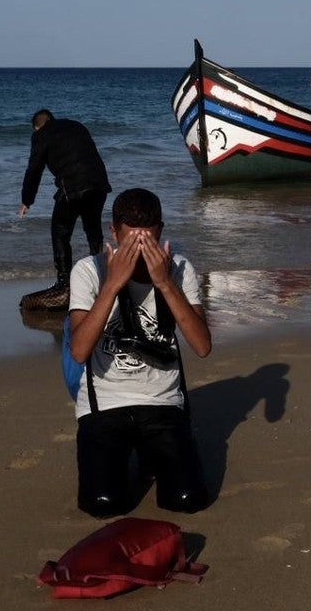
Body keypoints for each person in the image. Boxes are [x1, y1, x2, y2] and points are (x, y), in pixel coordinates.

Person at [67, 188, 212, 518]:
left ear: (160, 232)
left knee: (188, 499)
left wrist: (164, 283)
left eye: (147, 242)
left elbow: (202, 346)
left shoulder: (179, 269)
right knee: (103, 505)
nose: (138, 252)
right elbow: (78, 350)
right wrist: (114, 283)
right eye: (130, 243)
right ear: (114, 232)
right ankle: (133, 458)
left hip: (162, 402)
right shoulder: (88, 271)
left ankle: (152, 457)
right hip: (104, 404)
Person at [19, 109, 112, 290]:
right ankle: (101, 274)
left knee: (60, 231)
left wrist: (27, 200)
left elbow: (34, 170)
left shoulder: (41, 135)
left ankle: (63, 282)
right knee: (92, 228)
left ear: (37, 127)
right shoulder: (76, 125)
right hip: (99, 184)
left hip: (72, 188)